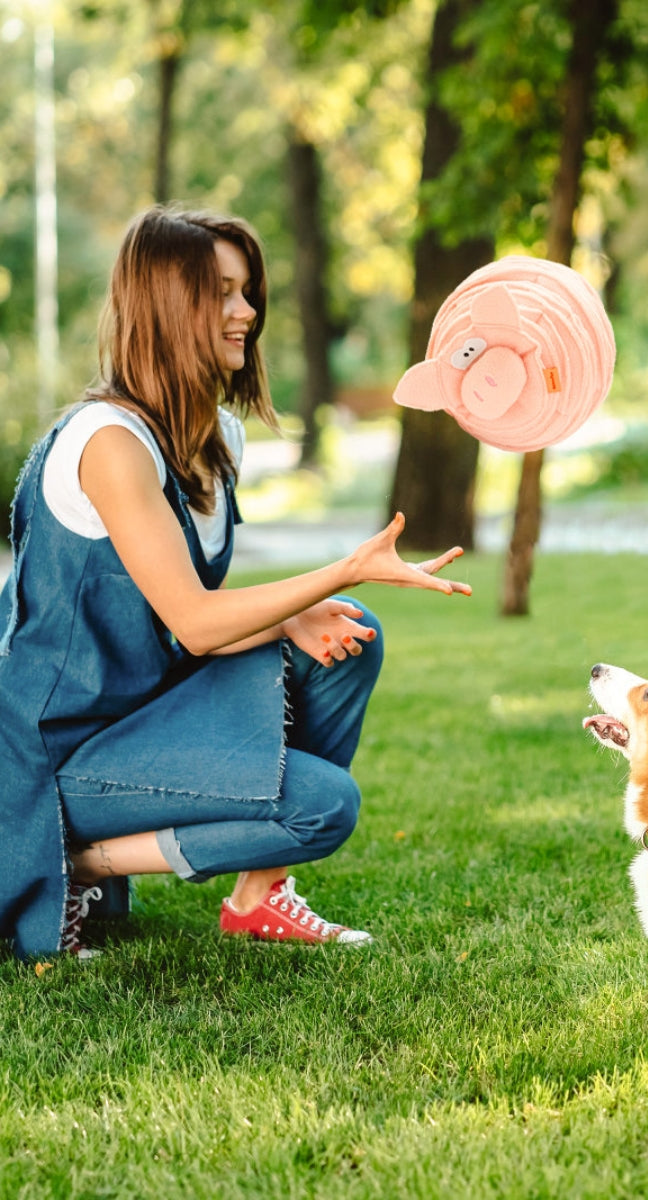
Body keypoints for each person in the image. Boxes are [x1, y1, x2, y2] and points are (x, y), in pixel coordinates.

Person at [0, 206, 471, 961]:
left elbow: (182, 615)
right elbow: (194, 622)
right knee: (324, 806)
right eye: (222, 292)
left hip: (138, 714)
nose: (246, 311)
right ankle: (70, 860)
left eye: (247, 290)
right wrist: (345, 565)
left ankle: (259, 897)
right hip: (45, 753)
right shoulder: (108, 444)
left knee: (349, 633)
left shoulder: (218, 436)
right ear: (164, 305)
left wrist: (297, 617)